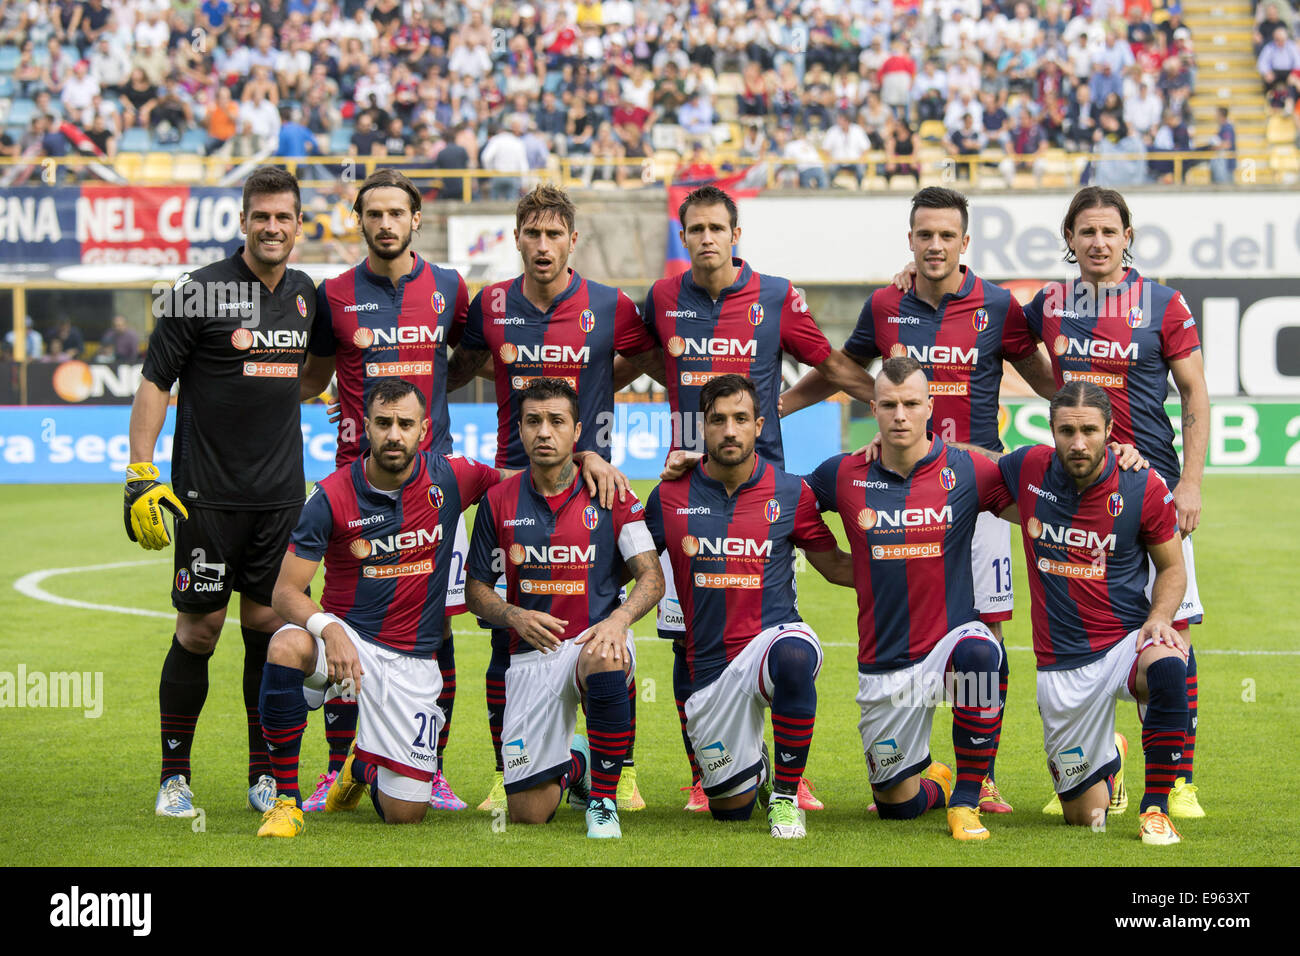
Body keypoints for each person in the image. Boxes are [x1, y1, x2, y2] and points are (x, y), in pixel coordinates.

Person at [782, 186, 1059, 814]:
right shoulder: (884, 303)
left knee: (982, 631)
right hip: (901, 477)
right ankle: (912, 761)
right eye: (924, 234)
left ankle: (977, 777)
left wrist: (1096, 423)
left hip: (977, 489)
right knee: (910, 614)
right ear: (910, 239)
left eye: (947, 235)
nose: (935, 245)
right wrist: (777, 408)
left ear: (965, 242)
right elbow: (839, 367)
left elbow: (1045, 378)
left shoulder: (996, 304)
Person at [641, 183, 873, 812]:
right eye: (696, 229)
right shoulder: (662, 299)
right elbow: (622, 360)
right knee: (689, 631)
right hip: (685, 481)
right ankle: (704, 770)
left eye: (718, 227)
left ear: (735, 234)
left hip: (763, 486)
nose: (708, 238)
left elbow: (828, 362)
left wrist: (890, 401)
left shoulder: (774, 295)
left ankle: (793, 773)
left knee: (770, 623)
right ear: (683, 237)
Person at [445, 183, 657, 813]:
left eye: (553, 234)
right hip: (516, 480)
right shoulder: (490, 305)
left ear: (572, 239)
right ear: (517, 239)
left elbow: (648, 361)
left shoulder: (608, 304)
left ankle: (622, 768)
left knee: (601, 613)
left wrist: (591, 434)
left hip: (590, 479)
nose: (542, 246)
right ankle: (509, 767)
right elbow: (460, 364)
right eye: (531, 234)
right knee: (504, 632)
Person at [126, 166, 318, 819]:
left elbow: (315, 371)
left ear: (299, 224)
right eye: (260, 215)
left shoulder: (304, 293)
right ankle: (173, 777)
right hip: (206, 496)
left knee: (268, 626)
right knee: (201, 629)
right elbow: (155, 380)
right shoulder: (196, 292)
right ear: (243, 220)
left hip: (281, 497)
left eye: (282, 217)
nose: (271, 227)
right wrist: (139, 471)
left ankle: (263, 774)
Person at [1020, 186, 1209, 818]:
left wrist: (1190, 482)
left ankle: (1176, 779)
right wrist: (1065, 400)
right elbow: (993, 329)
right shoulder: (1049, 302)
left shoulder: (1163, 303)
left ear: (1128, 236)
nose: (1098, 242)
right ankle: (1102, 758)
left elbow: (1194, 393)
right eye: (1086, 232)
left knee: (1170, 630)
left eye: (1109, 231)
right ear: (1069, 240)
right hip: (1079, 481)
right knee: (1081, 606)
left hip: (1150, 482)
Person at [252, 379, 502, 836]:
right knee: (286, 645)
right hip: (346, 644)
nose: (394, 434)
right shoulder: (329, 496)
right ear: (365, 426)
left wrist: (587, 460)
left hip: (412, 663)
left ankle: (362, 766)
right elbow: (284, 593)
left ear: (424, 429)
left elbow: (519, 483)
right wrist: (329, 629)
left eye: (405, 424)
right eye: (383, 423)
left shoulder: (450, 476)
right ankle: (286, 800)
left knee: (405, 815)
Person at [299, 167, 472, 813]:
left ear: (416, 219)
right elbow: (316, 373)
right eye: (373, 213)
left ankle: (433, 767)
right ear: (360, 219)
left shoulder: (450, 288)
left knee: (438, 629)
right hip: (356, 486)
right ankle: (338, 767)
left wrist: (424, 415)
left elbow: (470, 355)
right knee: (346, 626)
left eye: (396, 212)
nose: (385, 224)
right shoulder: (334, 293)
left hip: (431, 486)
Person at [806, 357, 1018, 840]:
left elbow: (1040, 501)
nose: (900, 415)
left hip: (950, 641)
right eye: (889, 405)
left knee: (983, 652)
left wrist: (1118, 464)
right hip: (885, 661)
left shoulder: (967, 470)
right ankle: (937, 784)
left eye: (910, 404)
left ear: (930, 407)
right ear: (873, 410)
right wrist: (837, 564)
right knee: (895, 806)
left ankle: (967, 800)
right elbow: (776, 504)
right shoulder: (843, 474)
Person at [644, 374, 854, 839]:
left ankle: (785, 795)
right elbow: (630, 565)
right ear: (703, 429)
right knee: (731, 812)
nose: (730, 430)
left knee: (795, 654)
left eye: (741, 419)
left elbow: (836, 566)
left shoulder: (790, 493)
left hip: (770, 644)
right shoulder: (669, 495)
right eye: (718, 420)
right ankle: (752, 769)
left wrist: (911, 565)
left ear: (759, 425)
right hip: (710, 672)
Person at [464, 379, 664, 838]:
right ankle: (579, 763)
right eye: (533, 421)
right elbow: (476, 589)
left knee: (607, 652)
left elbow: (652, 577)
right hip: (529, 655)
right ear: (519, 429)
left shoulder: (612, 493)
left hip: (590, 641)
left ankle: (603, 801)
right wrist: (512, 615)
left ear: (576, 433)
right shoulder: (498, 501)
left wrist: (618, 619)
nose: (544, 432)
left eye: (556, 421)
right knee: (529, 813)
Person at [994, 382, 1191, 845]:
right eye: (1067, 431)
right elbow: (961, 468)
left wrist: (1160, 618)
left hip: (1124, 645)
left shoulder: (1142, 484)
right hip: (1062, 667)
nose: (1078, 443)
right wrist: (907, 444)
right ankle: (1111, 761)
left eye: (1089, 430)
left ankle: (1156, 808)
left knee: (1167, 664)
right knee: (1087, 819)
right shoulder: (1026, 467)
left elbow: (1172, 569)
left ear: (1110, 431)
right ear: (1052, 430)